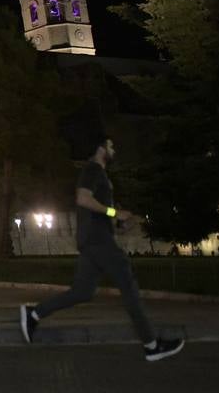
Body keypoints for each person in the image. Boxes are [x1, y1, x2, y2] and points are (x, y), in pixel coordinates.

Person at [19, 137, 184, 361]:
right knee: (128, 285)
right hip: (98, 241)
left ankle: (34, 314)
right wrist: (113, 213)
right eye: (111, 145)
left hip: (95, 240)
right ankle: (151, 345)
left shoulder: (101, 175)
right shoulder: (92, 169)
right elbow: (83, 199)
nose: (114, 149)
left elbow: (98, 209)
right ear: (100, 148)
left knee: (82, 292)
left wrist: (119, 221)